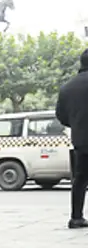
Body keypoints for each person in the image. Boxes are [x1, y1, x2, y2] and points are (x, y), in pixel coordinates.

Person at [56, 48, 88, 229]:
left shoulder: (67, 88)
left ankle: (76, 217)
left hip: (81, 141)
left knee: (80, 179)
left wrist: (77, 125)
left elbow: (60, 115)